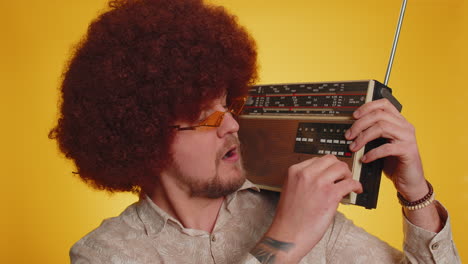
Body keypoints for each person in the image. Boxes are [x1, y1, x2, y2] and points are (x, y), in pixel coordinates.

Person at [50, 0, 460, 263]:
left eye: (229, 104)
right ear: (145, 138)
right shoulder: (106, 253)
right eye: (204, 115)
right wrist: (286, 239)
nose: (231, 124)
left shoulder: (296, 203)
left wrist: (415, 193)